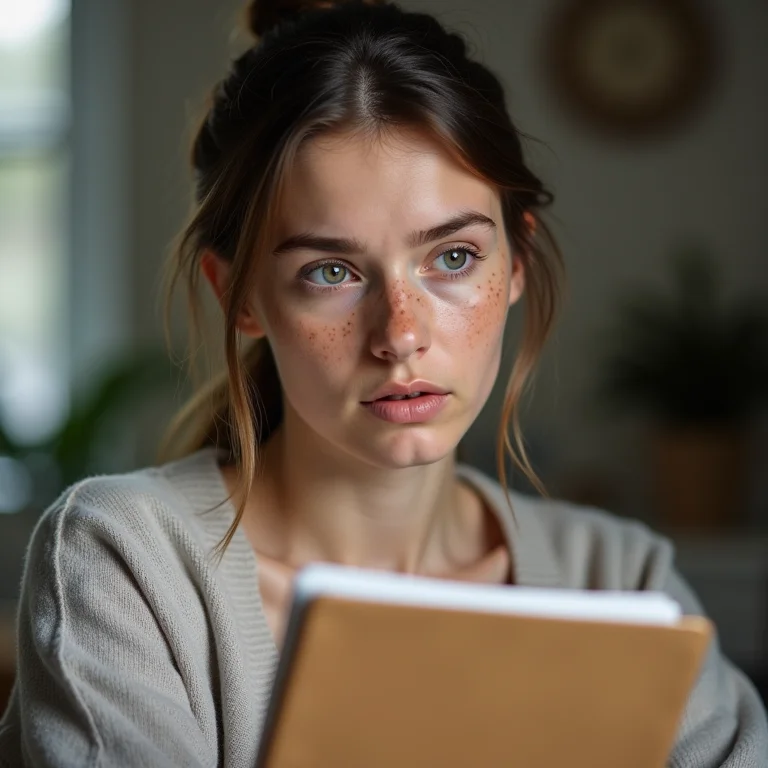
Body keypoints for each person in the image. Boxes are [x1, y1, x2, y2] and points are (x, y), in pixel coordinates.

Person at [1, 0, 766, 765]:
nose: (400, 333)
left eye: (455, 258)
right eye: (330, 272)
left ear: (516, 265)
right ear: (239, 298)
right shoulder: (125, 566)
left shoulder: (621, 585)